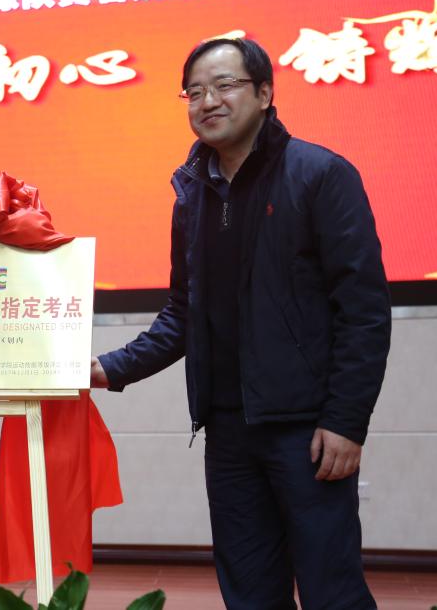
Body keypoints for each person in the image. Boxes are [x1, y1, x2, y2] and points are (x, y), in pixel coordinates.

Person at [90, 38, 390, 609]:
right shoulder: (192, 195)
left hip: (307, 431)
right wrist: (107, 369)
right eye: (194, 92)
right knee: (250, 594)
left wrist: (346, 420)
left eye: (225, 86)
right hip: (227, 431)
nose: (208, 102)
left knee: (332, 592)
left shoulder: (321, 175)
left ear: (265, 93)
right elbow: (184, 312)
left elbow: (364, 311)